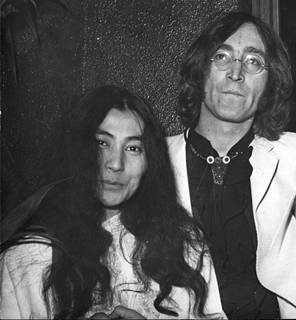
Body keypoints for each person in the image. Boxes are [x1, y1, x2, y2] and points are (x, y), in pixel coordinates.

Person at [0, 85, 225, 319]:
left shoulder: (185, 244)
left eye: (133, 148)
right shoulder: (26, 258)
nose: (116, 163)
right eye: (102, 143)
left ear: (151, 162)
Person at [167, 11, 296, 319]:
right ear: (200, 69)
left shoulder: (293, 153)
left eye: (253, 61)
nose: (236, 73)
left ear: (271, 81)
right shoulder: (155, 158)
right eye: (221, 56)